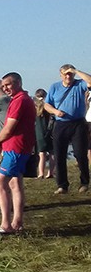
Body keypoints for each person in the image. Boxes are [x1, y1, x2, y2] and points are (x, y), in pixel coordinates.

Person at [0, 72, 36, 234]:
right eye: (3, 86)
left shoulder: (20, 101)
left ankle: (6, 224)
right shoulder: (20, 100)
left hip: (16, 148)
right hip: (15, 147)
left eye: (8, 85)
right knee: (15, 184)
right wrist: (0, 146)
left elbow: (9, 128)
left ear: (18, 83)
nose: (5, 88)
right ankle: (17, 221)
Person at [44, 64, 91, 194]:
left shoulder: (79, 84)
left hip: (78, 123)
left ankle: (84, 181)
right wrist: (55, 111)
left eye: (70, 74)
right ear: (61, 75)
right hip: (61, 124)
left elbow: (90, 81)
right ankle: (62, 185)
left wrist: (76, 70)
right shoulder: (54, 87)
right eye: (65, 74)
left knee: (80, 154)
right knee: (59, 155)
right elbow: (47, 105)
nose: (68, 76)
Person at [34, 88, 54, 179]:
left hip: (39, 133)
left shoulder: (35, 108)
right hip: (50, 131)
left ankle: (41, 173)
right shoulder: (48, 106)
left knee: (41, 154)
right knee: (52, 154)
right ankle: (50, 173)